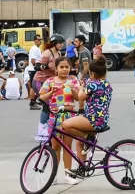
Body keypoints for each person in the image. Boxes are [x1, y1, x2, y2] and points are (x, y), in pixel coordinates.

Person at [62, 57, 111, 178]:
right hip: (102, 119)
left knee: (66, 125)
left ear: (92, 73)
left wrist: (82, 87)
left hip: (92, 119)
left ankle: (89, 139)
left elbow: (80, 97)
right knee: (79, 142)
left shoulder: (93, 84)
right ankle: (82, 168)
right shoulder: (107, 84)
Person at [39, 56, 80, 185]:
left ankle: (68, 173)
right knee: (55, 146)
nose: (64, 70)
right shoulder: (50, 81)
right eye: (61, 67)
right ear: (56, 69)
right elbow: (41, 97)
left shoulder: (73, 81)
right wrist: (51, 92)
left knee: (67, 146)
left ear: (70, 68)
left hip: (69, 117)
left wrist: (74, 91)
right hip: (54, 117)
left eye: (66, 67)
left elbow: (78, 98)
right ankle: (54, 175)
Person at [34, 33, 65, 135]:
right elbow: (37, 66)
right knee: (46, 105)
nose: (62, 45)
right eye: (60, 43)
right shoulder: (47, 53)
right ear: (54, 43)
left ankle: (48, 127)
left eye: (62, 43)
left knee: (52, 105)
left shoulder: (59, 54)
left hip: (50, 82)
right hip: (40, 81)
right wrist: (47, 65)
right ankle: (42, 129)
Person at [74, 34, 92, 117]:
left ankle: (81, 110)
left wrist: (81, 77)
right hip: (87, 75)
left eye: (76, 41)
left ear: (81, 42)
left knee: (81, 93)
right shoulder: (82, 51)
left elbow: (86, 67)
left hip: (87, 76)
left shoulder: (84, 52)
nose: (74, 43)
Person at [28, 34, 43, 110]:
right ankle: (32, 102)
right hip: (34, 70)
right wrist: (38, 68)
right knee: (33, 87)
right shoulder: (35, 49)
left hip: (33, 69)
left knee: (36, 86)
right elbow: (33, 60)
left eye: (40, 40)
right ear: (34, 40)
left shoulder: (36, 48)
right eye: (38, 39)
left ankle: (36, 100)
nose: (39, 41)